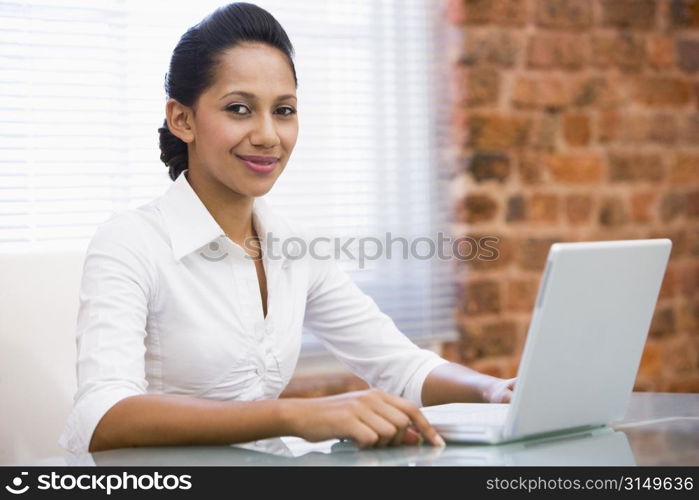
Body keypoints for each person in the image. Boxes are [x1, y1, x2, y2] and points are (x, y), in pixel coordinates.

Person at [58, 2, 515, 456]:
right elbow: (102, 416)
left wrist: (494, 391)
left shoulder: (294, 248)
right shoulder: (131, 242)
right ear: (183, 119)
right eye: (239, 109)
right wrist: (294, 415)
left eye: (283, 110)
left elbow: (400, 365)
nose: (267, 135)